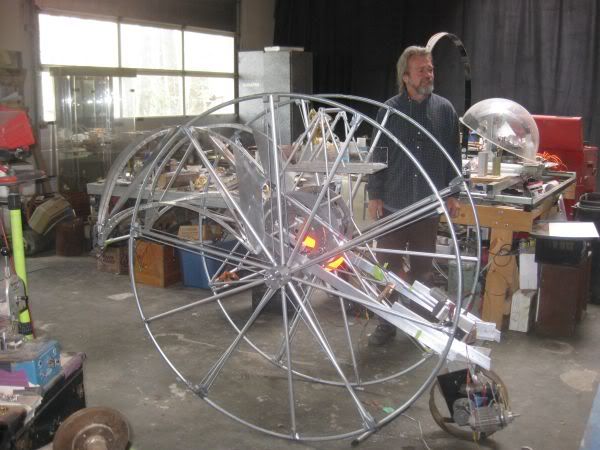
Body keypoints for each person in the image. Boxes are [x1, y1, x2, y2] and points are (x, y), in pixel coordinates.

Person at [366, 45, 462, 346]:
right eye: (421, 70)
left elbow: (453, 155)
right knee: (387, 268)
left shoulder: (445, 110)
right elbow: (377, 155)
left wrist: (454, 192)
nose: (428, 74)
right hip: (393, 206)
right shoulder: (389, 110)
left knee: (423, 271)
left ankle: (422, 326)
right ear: (405, 77)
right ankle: (387, 323)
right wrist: (374, 194)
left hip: (426, 208)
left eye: (430, 69)